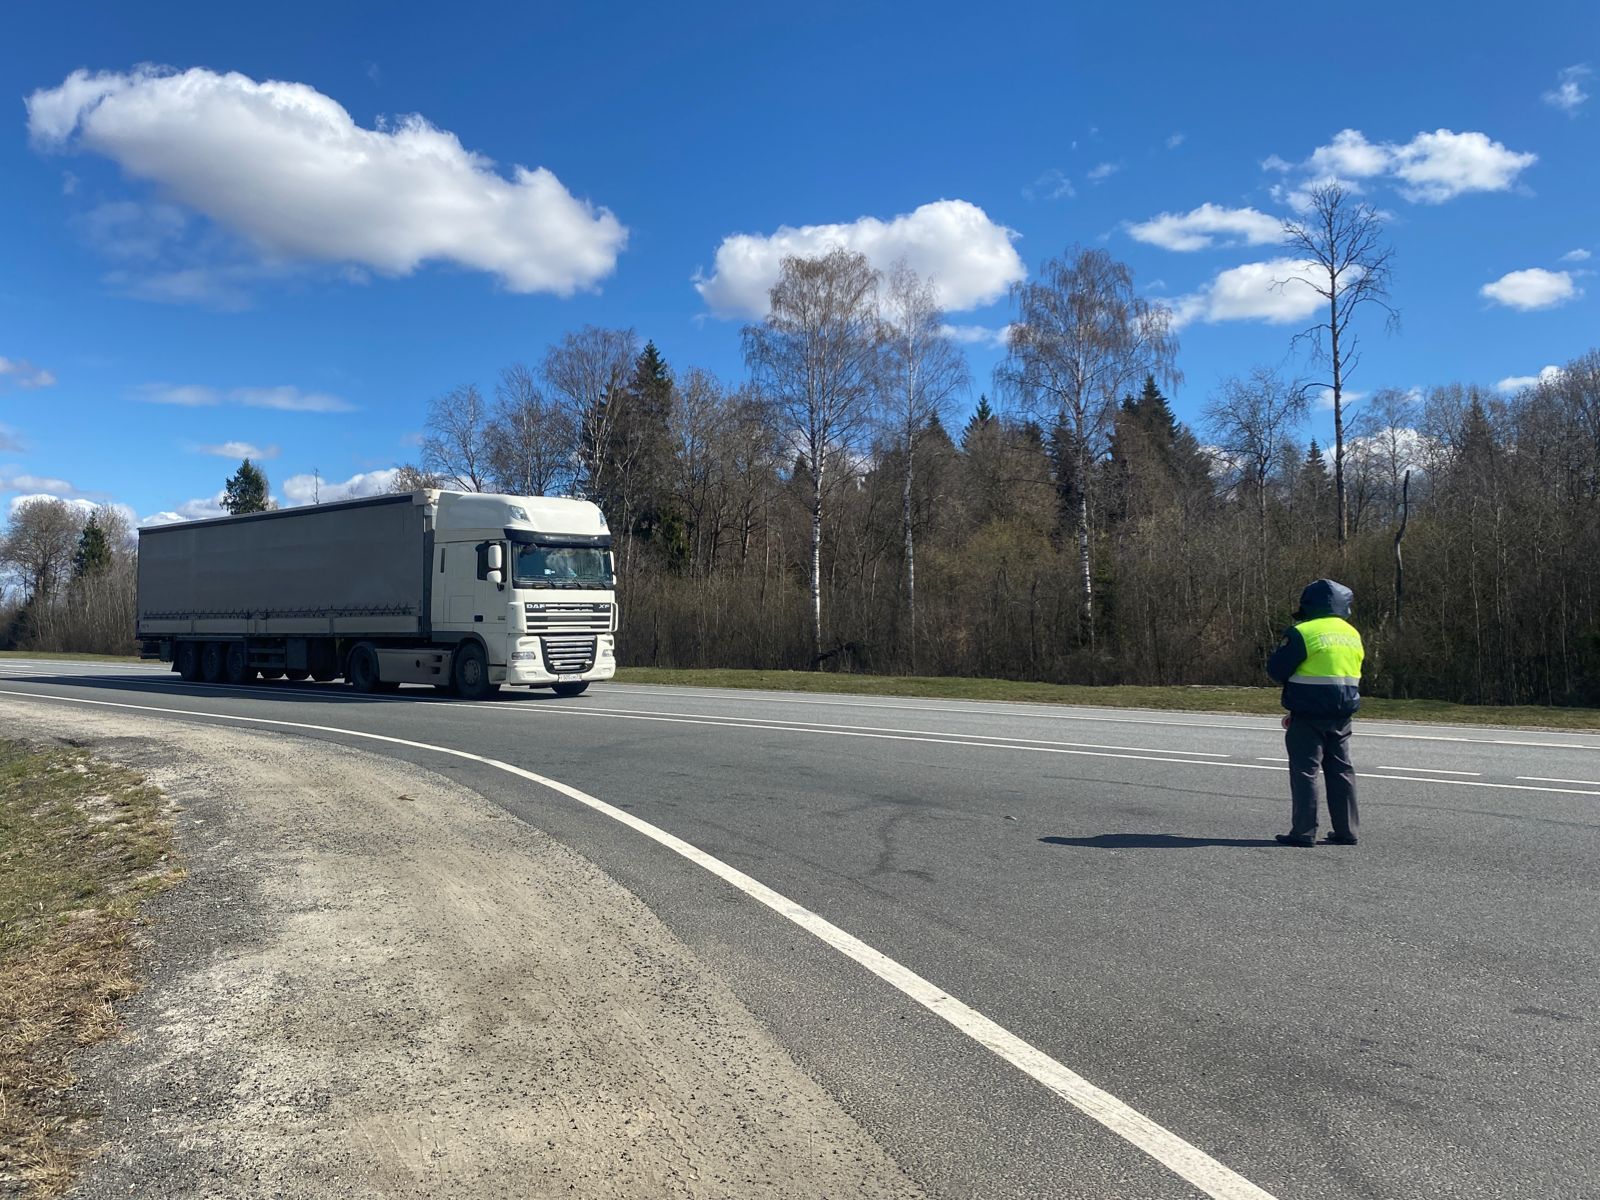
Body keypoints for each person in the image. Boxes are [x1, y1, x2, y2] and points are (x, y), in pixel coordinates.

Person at [1266, 579, 1365, 847]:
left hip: (1308, 712)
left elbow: (1276, 670)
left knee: (1305, 771)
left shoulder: (1303, 632)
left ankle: (1304, 831)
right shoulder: (1351, 633)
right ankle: (1347, 831)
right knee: (1341, 770)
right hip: (1342, 712)